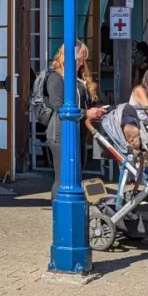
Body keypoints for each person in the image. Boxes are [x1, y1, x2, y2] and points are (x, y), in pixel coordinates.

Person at [44, 41, 106, 199]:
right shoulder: (55, 77)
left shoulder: (79, 78)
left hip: (79, 131)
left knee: (77, 173)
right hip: (60, 133)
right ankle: (58, 208)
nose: (81, 63)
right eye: (78, 59)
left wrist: (97, 110)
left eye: (84, 59)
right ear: (65, 57)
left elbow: (88, 101)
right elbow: (58, 106)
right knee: (63, 176)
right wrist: (87, 113)